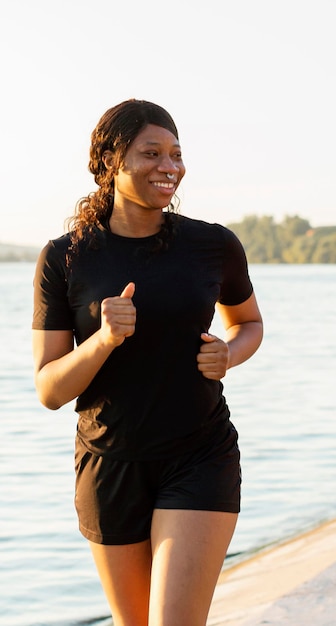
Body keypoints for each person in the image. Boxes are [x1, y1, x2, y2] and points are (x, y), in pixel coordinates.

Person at [32, 99, 263, 626]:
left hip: (199, 455)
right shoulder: (65, 257)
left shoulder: (212, 245)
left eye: (177, 154)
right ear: (112, 160)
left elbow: (248, 324)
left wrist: (230, 352)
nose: (170, 166)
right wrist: (103, 340)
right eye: (151, 152)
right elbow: (49, 389)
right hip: (108, 464)